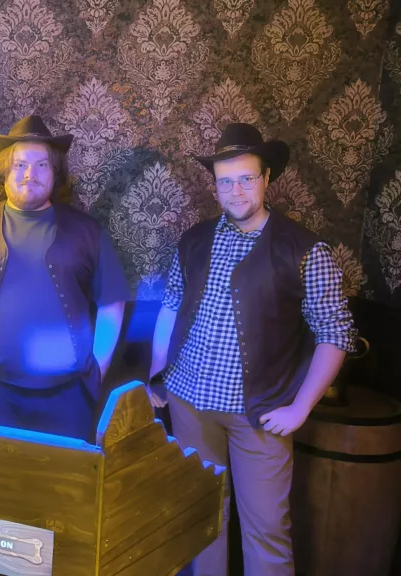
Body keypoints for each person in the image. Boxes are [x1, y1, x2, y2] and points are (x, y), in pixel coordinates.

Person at [148, 123, 357, 576]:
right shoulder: (194, 240)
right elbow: (170, 307)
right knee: (202, 519)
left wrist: (300, 408)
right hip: (189, 403)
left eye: (246, 178)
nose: (236, 190)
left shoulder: (305, 250)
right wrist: (157, 377)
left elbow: (335, 333)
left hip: (259, 412)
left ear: (266, 178)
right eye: (225, 181)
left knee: (267, 533)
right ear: (215, 185)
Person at [0, 115, 130, 442]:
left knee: (62, 476)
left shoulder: (87, 231)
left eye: (42, 165)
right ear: (4, 172)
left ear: (55, 173)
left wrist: (97, 368)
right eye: (20, 165)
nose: (31, 174)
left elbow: (112, 302)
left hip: (67, 397)